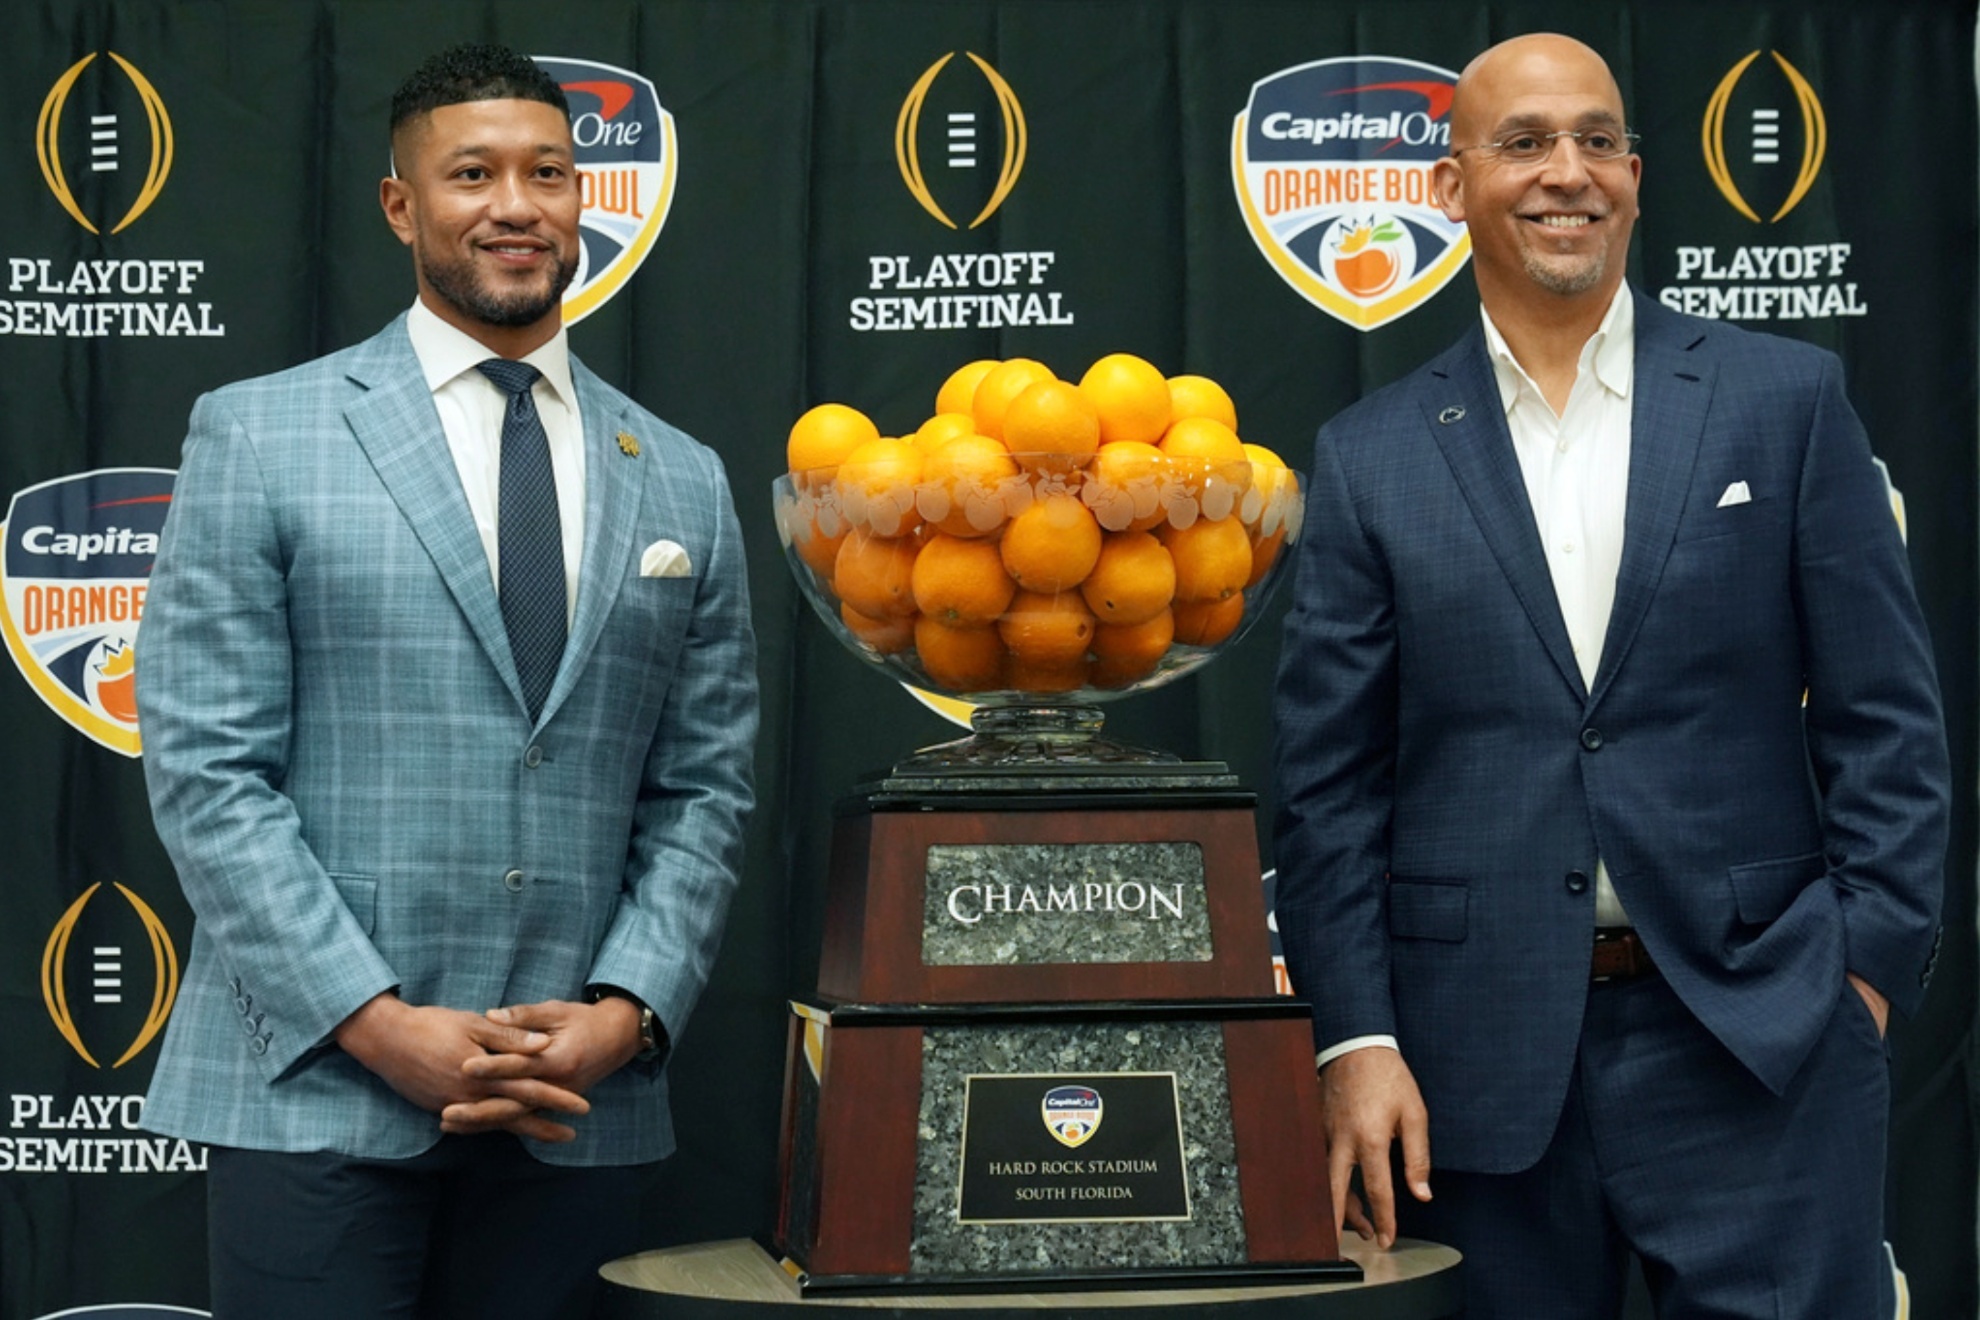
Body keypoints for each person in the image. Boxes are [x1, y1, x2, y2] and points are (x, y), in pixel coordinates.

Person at [1271, 32, 1948, 1320]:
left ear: (1637, 174)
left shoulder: (1784, 400)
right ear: (1448, 187)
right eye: (1523, 144)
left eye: (1598, 141)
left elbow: (1890, 725)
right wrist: (1356, 1042)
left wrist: (1859, 978)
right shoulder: (1370, 459)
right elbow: (1329, 792)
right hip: (1473, 1079)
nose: (1567, 173)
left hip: (1763, 1045)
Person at [135, 42, 758, 1319]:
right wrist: (376, 1023)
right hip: (315, 1088)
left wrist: (628, 1009)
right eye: (472, 173)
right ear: (402, 205)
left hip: (575, 1104)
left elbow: (705, 786)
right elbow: (208, 772)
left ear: (585, 198)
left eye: (549, 171)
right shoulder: (261, 431)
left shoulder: (683, 474)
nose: (515, 204)